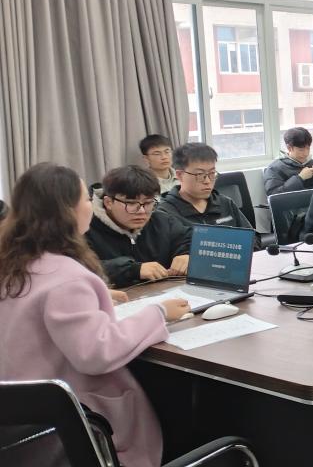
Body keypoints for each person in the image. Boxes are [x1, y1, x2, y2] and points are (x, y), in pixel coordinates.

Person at [0, 163, 190, 467]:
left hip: (23, 430)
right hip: (79, 435)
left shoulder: (16, 262)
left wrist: (93, 297)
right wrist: (158, 312)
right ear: (67, 211)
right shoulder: (67, 278)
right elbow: (96, 353)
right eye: (87, 199)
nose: (92, 205)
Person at [86, 166, 193, 289]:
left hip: (165, 293)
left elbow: (190, 239)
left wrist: (186, 254)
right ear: (108, 202)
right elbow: (80, 267)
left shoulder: (162, 221)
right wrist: (132, 270)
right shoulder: (85, 228)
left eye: (148, 203)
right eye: (131, 203)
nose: (141, 211)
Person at [157, 143, 253, 229]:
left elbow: (252, 237)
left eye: (212, 173)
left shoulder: (225, 203)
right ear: (180, 175)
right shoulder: (164, 213)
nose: (207, 181)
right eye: (199, 174)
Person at [263, 127, 313, 196]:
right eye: (301, 150)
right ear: (289, 148)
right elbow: (274, 195)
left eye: (308, 148)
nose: (306, 153)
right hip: (293, 203)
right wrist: (300, 178)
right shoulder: (274, 168)